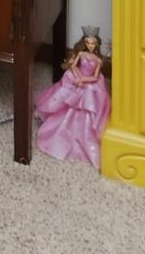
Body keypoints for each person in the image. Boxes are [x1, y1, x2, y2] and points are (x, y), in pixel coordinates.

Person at [34, 29, 110, 166]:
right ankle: (61, 132)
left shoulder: (98, 60)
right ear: (84, 43)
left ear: (97, 45)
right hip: (78, 78)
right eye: (88, 42)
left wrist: (84, 79)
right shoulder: (81, 54)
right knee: (68, 96)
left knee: (88, 99)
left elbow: (95, 76)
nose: (91, 45)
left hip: (88, 81)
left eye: (93, 43)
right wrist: (77, 76)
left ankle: (84, 134)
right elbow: (73, 66)